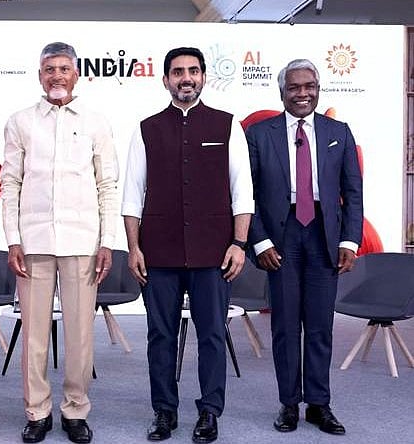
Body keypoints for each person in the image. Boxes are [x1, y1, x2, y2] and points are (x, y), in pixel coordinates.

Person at [122, 47, 254, 443]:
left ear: (203, 77)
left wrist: (239, 244)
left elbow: (242, 191)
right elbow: (132, 194)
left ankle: (210, 412)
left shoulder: (227, 126)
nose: (186, 78)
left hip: (214, 252)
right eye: (178, 71)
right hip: (158, 251)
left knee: (212, 333)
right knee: (160, 334)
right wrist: (133, 247)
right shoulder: (145, 128)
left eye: (193, 71)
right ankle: (164, 411)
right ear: (165, 79)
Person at [1, 42, 119, 444]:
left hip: (83, 241)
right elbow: (10, 183)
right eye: (49, 69)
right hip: (32, 242)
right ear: (39, 75)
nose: (56, 76)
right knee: (34, 333)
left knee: (80, 334)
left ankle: (75, 409)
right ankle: (37, 411)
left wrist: (108, 242)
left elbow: (107, 185)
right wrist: (12, 240)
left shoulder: (96, 122)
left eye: (63, 69)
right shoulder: (20, 122)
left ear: (75, 74)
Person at [245, 59, 362, 436]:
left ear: (318, 88)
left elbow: (352, 192)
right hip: (282, 236)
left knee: (320, 326)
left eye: (309, 86)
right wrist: (259, 240)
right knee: (283, 325)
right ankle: (289, 403)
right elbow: (247, 195)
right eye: (294, 87)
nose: (303, 93)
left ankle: (319, 404)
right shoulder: (261, 135)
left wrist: (350, 239)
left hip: (324, 237)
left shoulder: (338, 132)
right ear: (282, 92)